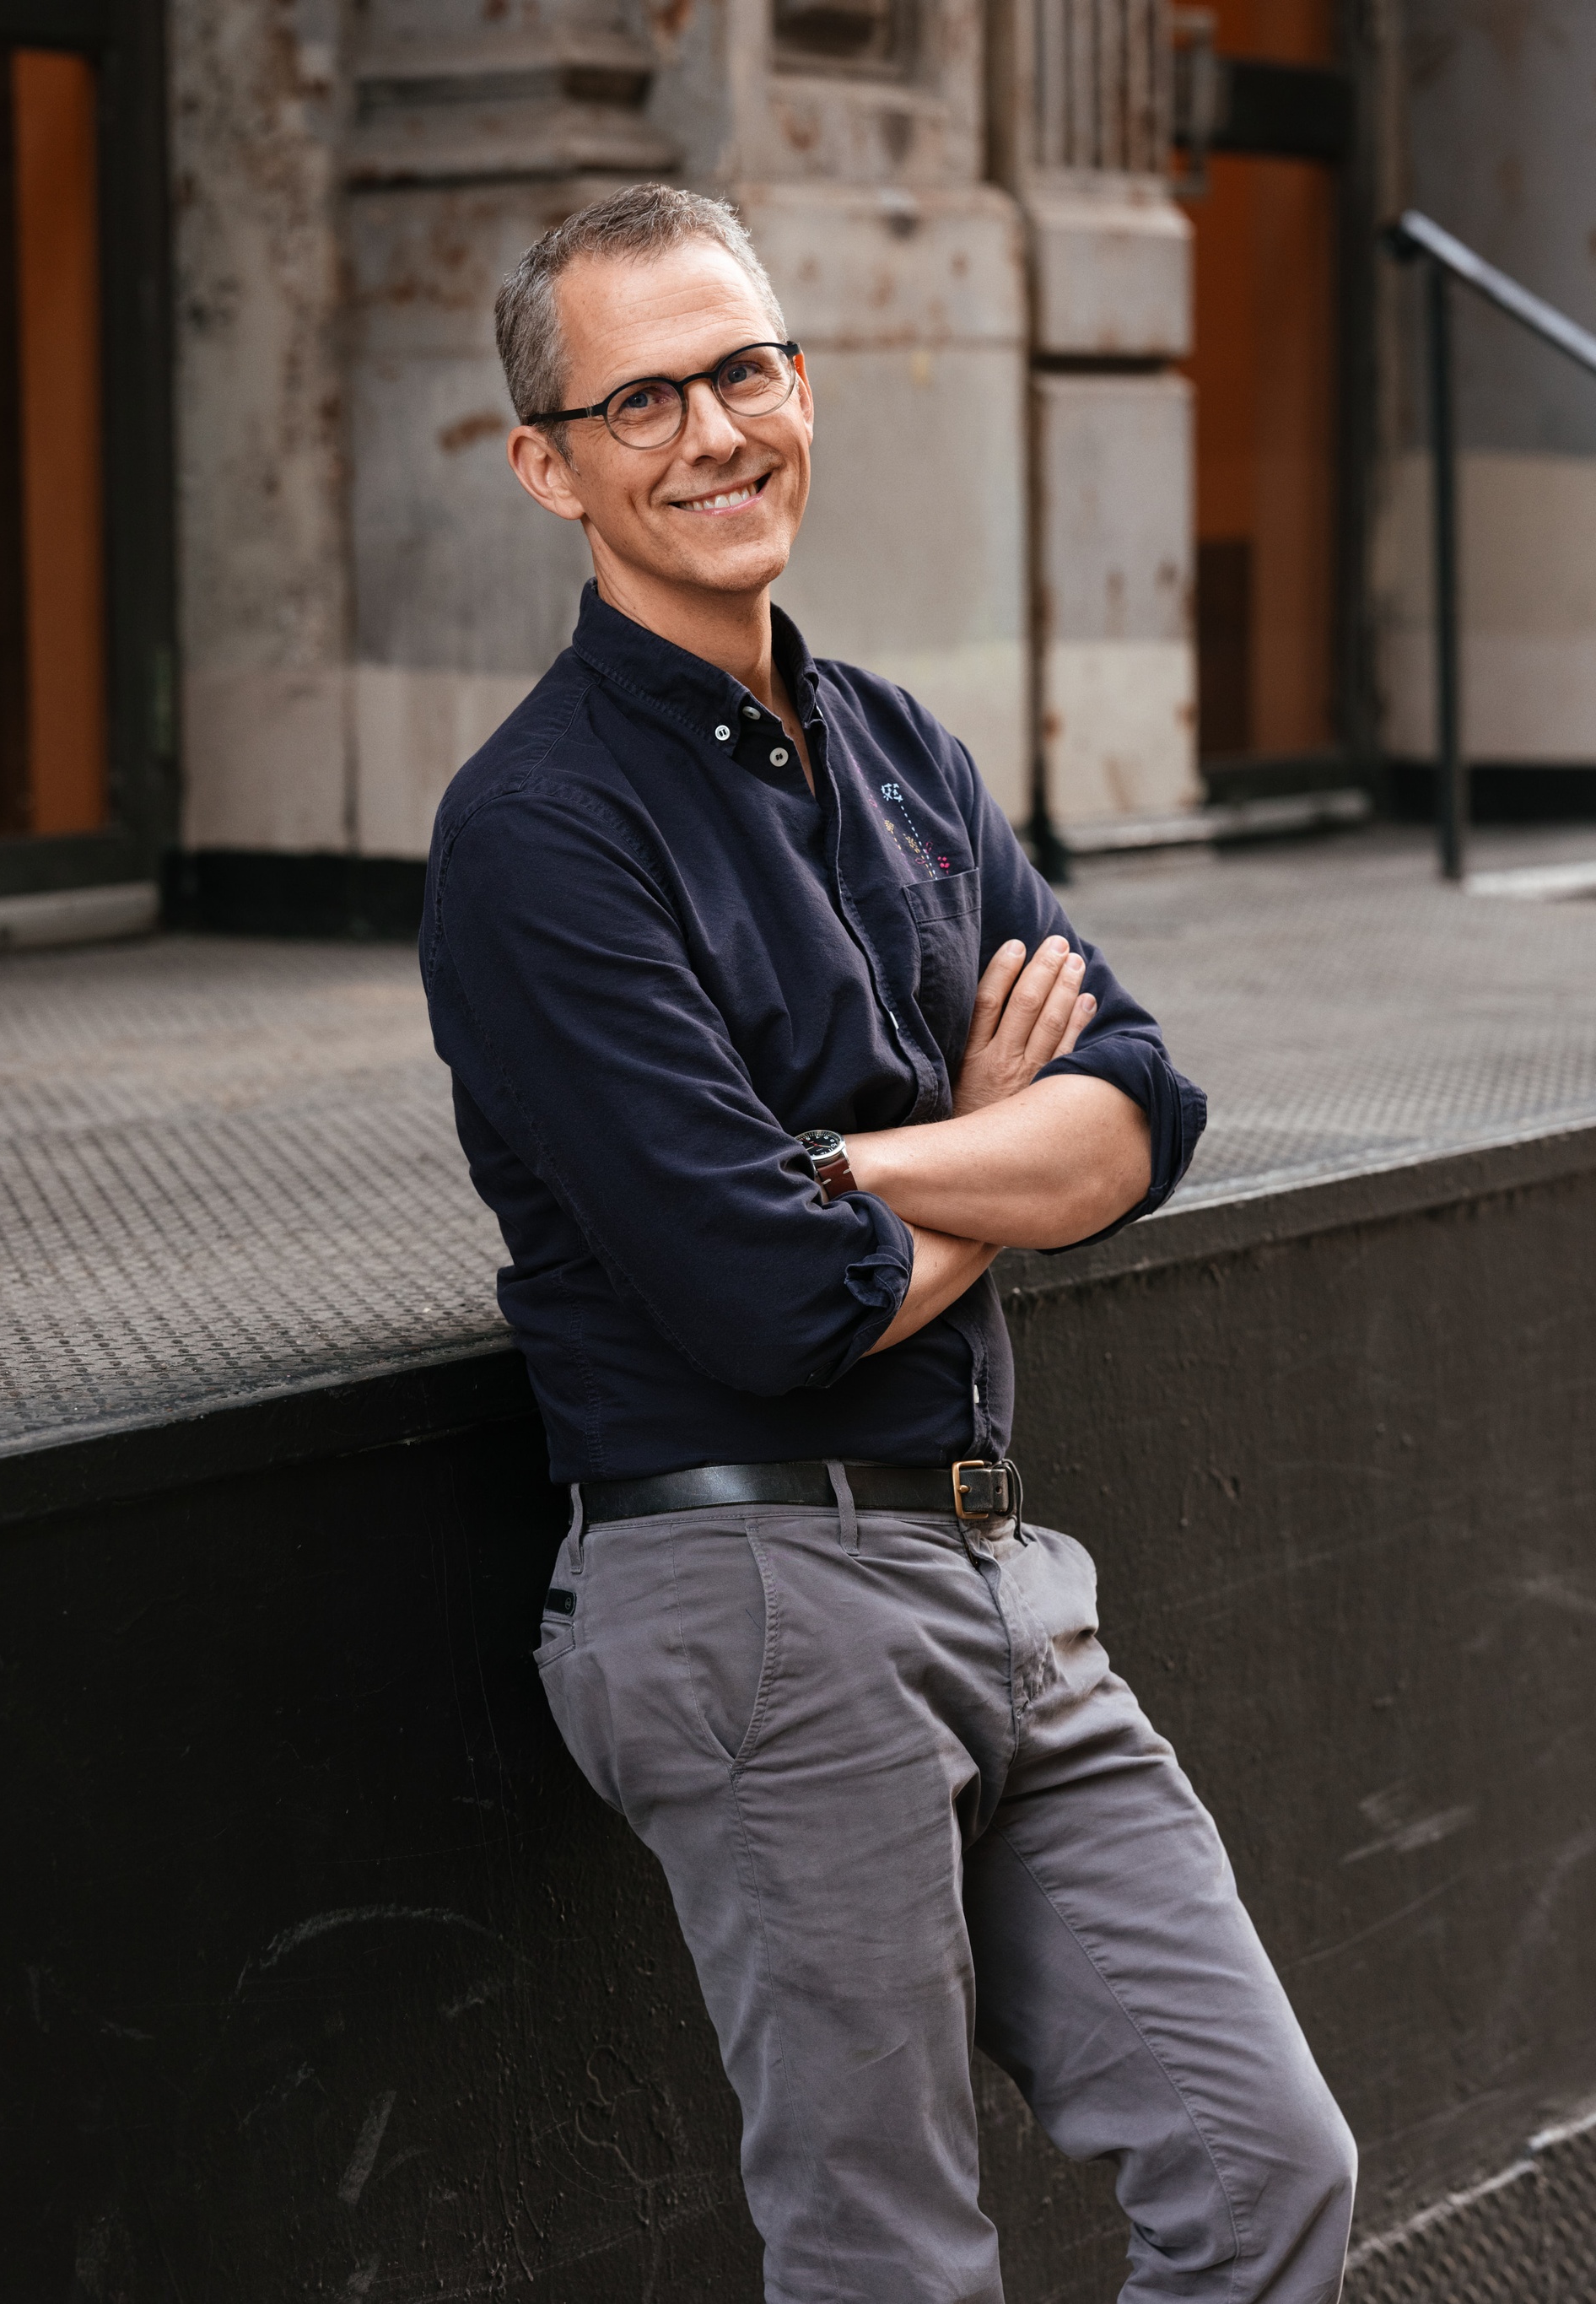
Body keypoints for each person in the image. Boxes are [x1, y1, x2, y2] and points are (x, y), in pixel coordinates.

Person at [420, 183, 1356, 2304]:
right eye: (638, 396)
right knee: (890, 2265)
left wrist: (857, 1163)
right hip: (752, 1596)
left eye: (741, 367)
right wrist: (968, 1134)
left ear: (802, 383)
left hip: (1000, 1572)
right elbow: (769, 1293)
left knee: (1264, 2163)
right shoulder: (538, 832)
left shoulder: (909, 755)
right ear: (545, 463)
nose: (712, 430)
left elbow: (1142, 1104)